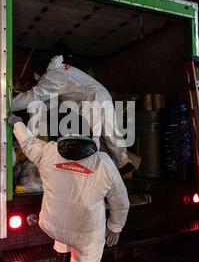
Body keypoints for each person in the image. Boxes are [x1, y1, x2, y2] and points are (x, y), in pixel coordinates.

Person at [7, 114, 130, 262]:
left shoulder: (48, 152)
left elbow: (28, 143)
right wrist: (115, 227)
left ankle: (62, 247)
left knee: (64, 206)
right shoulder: (102, 162)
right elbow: (121, 201)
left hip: (53, 228)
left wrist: (17, 123)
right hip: (86, 236)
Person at [12, 46, 133, 174]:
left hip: (92, 101)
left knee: (91, 139)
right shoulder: (61, 70)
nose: (38, 80)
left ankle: (94, 172)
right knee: (110, 132)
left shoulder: (53, 77)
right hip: (102, 95)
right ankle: (122, 162)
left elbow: (34, 96)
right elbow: (48, 101)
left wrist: (9, 106)